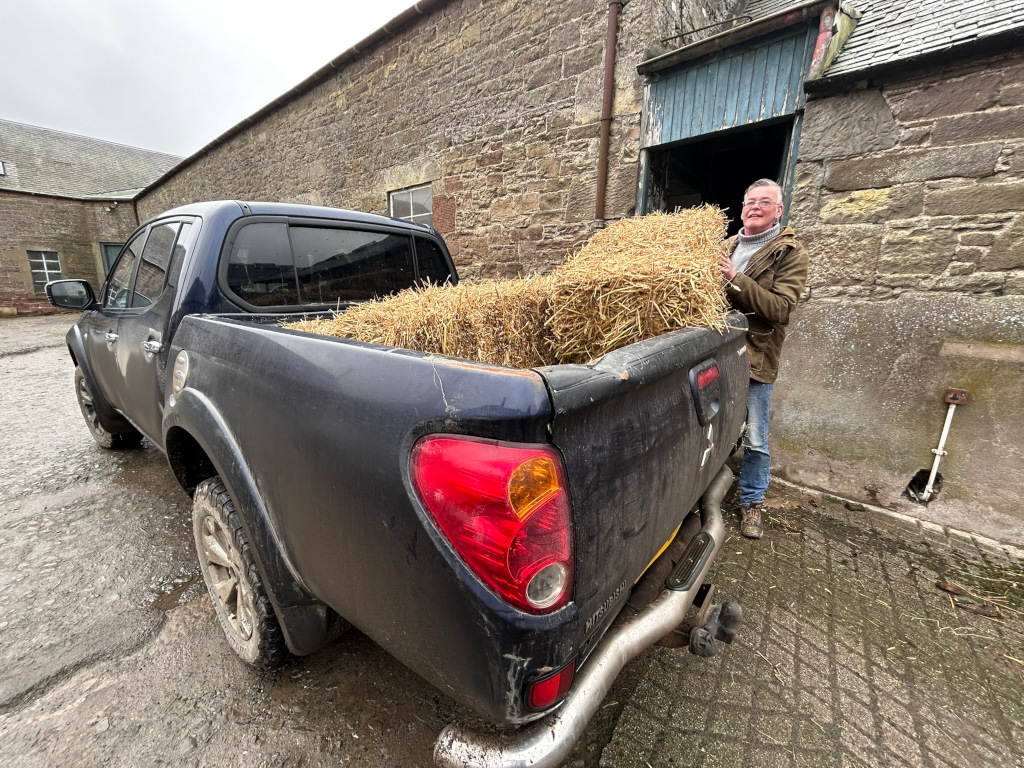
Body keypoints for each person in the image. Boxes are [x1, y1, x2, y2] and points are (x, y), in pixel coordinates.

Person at [718, 179, 809, 539]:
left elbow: (780, 309)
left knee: (755, 437)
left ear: (779, 210)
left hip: (754, 357)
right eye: (749, 201)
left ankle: (752, 503)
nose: (755, 207)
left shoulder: (788, 253)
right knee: (715, 425)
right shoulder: (726, 246)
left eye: (765, 202)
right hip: (716, 354)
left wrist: (735, 279)